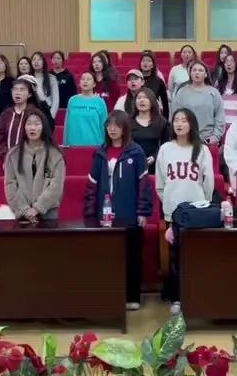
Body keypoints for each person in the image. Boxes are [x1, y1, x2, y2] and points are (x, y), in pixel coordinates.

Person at [83, 111, 153, 311]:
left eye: (116, 125)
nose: (112, 129)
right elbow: (91, 185)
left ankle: (132, 296)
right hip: (103, 216)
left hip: (129, 215)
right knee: (106, 257)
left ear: (125, 128)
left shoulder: (136, 153)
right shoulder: (100, 153)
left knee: (131, 257)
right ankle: (109, 296)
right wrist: (89, 214)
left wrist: (142, 212)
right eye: (109, 125)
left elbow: (144, 185)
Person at [156, 108, 215, 315]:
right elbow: (160, 183)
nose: (179, 124)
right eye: (176, 120)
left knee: (195, 256)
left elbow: (208, 183)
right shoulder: (165, 149)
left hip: (196, 213)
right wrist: (169, 205)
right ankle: (177, 298)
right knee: (175, 256)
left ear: (192, 124)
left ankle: (197, 296)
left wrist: (202, 206)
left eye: (184, 120)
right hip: (173, 212)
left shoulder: (202, 150)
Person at [5, 108, 66, 222]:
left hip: (48, 212)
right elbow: (10, 184)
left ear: (44, 127)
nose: (32, 128)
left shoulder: (55, 155)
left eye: (37, 124)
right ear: (24, 127)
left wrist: (38, 208)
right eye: (29, 124)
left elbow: (56, 186)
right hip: (22, 212)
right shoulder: (13, 154)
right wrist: (25, 209)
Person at [0, 75, 50, 164]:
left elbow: (42, 138)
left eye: (22, 90)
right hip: (8, 161)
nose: (17, 93)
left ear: (29, 94)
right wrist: (6, 154)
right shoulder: (7, 114)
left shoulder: (35, 114)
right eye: (15, 89)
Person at [171, 60, 225, 144]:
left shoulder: (214, 93)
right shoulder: (182, 92)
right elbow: (175, 115)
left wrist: (215, 136)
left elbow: (219, 116)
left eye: (200, 70)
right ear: (190, 73)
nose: (197, 73)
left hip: (207, 139)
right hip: (186, 138)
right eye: (194, 70)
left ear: (206, 74)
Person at [130, 87, 169, 173]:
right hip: (132, 163)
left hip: (155, 165)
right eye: (139, 98)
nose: (142, 100)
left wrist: (155, 156)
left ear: (152, 101)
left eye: (145, 98)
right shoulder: (128, 122)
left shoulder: (161, 122)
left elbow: (166, 145)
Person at [64, 72, 108, 147]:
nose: (85, 81)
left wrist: (105, 146)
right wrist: (65, 143)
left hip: (95, 144)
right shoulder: (72, 100)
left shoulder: (100, 102)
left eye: (88, 79)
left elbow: (104, 125)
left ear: (94, 84)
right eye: (83, 79)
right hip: (73, 144)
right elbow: (67, 124)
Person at [215, 53, 237, 129]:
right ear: (223, 65)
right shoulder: (218, 83)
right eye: (226, 62)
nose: (229, 64)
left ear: (236, 64)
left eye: (232, 61)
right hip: (222, 124)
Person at [139, 51, 170, 117]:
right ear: (140, 64)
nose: (145, 63)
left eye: (148, 61)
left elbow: (165, 104)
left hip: (154, 115)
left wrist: (165, 120)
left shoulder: (159, 81)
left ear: (153, 65)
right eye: (143, 61)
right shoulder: (135, 80)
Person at [31, 51, 60, 118]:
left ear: (44, 62)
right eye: (34, 59)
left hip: (47, 111)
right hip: (32, 112)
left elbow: (55, 102)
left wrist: (50, 117)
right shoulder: (28, 78)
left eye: (39, 59)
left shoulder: (51, 78)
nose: (36, 62)